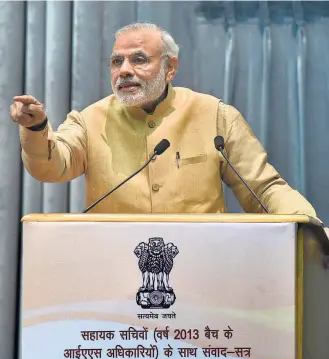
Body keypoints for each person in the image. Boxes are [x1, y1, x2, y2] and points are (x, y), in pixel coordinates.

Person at [9, 22, 320, 219]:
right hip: (114, 273)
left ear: (170, 68)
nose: (125, 70)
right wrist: (36, 128)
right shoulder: (89, 120)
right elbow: (52, 166)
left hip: (203, 267)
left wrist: (310, 228)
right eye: (117, 61)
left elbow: (263, 189)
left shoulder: (214, 115)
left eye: (139, 59)